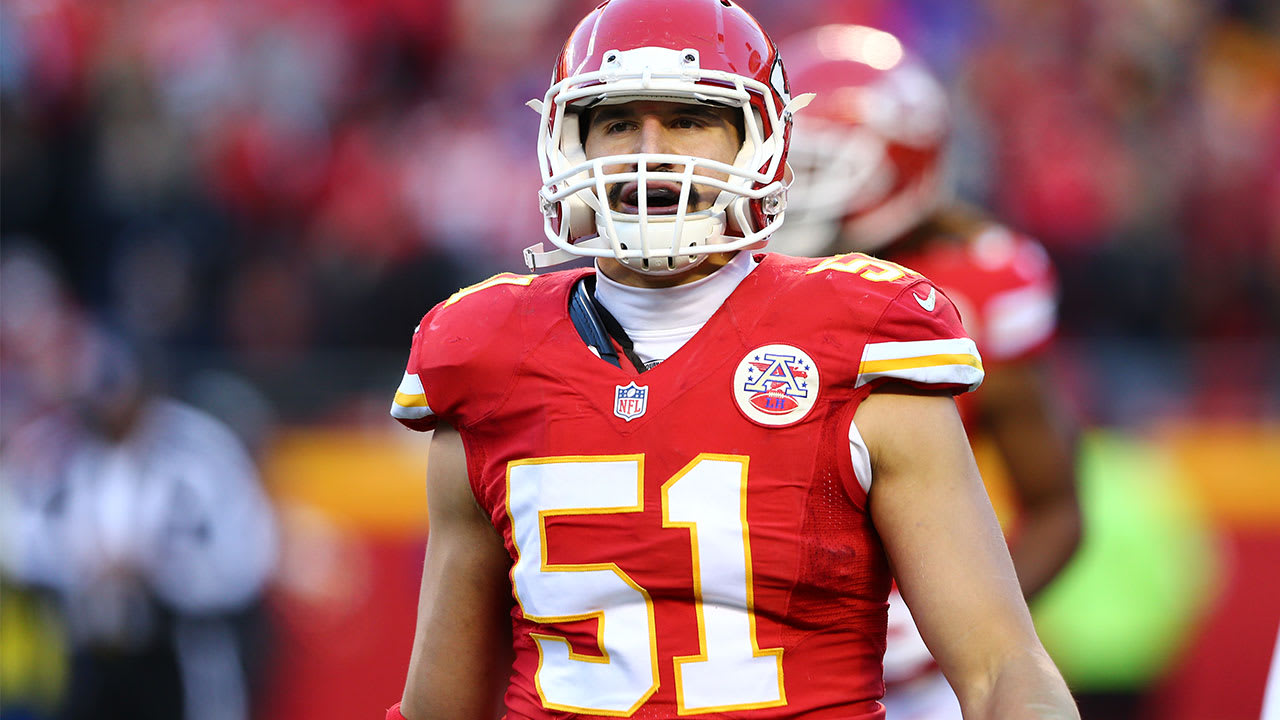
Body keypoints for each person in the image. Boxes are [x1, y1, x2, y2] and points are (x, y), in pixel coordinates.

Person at [386, 1, 1079, 718]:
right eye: (618, 121)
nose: (649, 150)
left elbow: (1002, 670)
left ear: (759, 142)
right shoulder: (484, 354)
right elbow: (441, 706)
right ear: (570, 143)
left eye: (688, 119)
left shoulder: (864, 340)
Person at [770, 25, 1082, 720]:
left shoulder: (973, 291)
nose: (790, 188)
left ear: (899, 162)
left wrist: (946, 637)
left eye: (818, 166)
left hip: (915, 681)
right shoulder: (737, 274)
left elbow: (1058, 511)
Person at [0, 324, 278, 720]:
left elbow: (248, 554)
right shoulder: (54, 447)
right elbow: (15, 537)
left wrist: (163, 572)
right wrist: (78, 562)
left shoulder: (201, 449)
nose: (109, 410)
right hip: (81, 647)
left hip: (180, 646)